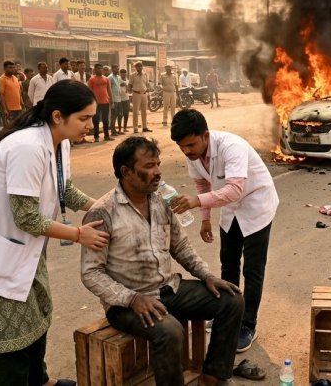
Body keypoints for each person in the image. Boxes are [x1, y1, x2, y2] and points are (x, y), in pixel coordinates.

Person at [0, 80, 110, 386]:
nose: (90, 125)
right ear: (58, 116)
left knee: (36, 319)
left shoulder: (61, 142)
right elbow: (27, 217)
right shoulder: (27, 147)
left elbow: (64, 188)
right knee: (9, 342)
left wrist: (99, 206)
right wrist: (79, 234)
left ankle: (40, 380)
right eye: (84, 118)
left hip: (20, 251)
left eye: (91, 117)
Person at [81, 136, 245, 386]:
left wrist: (207, 276)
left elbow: (179, 246)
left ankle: (213, 377)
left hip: (169, 289)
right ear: (125, 171)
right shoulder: (103, 212)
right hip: (127, 304)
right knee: (170, 332)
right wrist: (132, 299)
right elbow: (91, 273)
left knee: (232, 300)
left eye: (158, 164)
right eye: (148, 166)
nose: (157, 172)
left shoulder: (160, 200)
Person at [169, 109, 279, 352]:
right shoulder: (193, 152)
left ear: (205, 135)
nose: (187, 151)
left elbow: (235, 191)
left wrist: (198, 202)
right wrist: (205, 219)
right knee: (228, 263)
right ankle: (228, 312)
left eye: (191, 144)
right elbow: (201, 182)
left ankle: (248, 324)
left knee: (252, 270)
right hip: (229, 207)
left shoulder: (232, 147)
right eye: (182, 147)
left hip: (255, 203)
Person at [87, 64, 112, 142]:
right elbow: (89, 91)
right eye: (98, 68)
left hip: (105, 102)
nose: (100, 70)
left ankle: (106, 136)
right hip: (96, 103)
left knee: (106, 120)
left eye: (101, 69)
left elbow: (109, 90)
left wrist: (111, 99)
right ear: (95, 69)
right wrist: (91, 102)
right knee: (96, 120)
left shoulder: (106, 79)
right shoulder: (91, 79)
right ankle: (96, 137)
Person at [129, 62, 151, 133]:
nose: (140, 68)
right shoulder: (132, 75)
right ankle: (135, 128)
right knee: (135, 112)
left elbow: (147, 84)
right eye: (138, 66)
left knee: (144, 112)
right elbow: (130, 85)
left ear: (142, 67)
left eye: (141, 66)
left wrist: (148, 89)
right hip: (136, 94)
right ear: (135, 67)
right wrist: (130, 90)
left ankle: (144, 127)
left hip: (144, 94)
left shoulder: (145, 74)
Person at [108, 65, 125, 135]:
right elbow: (108, 88)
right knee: (114, 115)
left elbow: (119, 85)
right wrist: (111, 100)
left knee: (120, 114)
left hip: (119, 99)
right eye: (115, 69)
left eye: (118, 69)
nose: (117, 70)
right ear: (112, 69)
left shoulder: (118, 77)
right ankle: (113, 131)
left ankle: (119, 129)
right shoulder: (110, 77)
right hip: (114, 99)